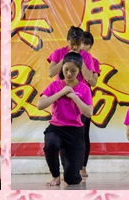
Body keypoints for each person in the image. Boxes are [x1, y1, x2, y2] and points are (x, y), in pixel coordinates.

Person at [37, 52, 93, 186]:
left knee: (72, 179)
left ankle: (69, 168)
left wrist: (74, 96)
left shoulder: (84, 89)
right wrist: (61, 92)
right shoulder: (55, 86)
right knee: (50, 144)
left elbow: (89, 113)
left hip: (75, 131)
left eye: (73, 71)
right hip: (56, 128)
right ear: (62, 67)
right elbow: (40, 105)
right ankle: (55, 176)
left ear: (79, 70)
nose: (69, 73)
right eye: (66, 69)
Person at [79, 31, 98, 179]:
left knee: (84, 133)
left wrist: (82, 62)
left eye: (87, 44)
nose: (84, 47)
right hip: (68, 98)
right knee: (70, 133)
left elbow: (92, 81)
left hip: (85, 99)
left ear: (91, 46)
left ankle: (83, 166)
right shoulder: (69, 57)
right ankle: (70, 165)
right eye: (82, 43)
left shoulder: (93, 61)